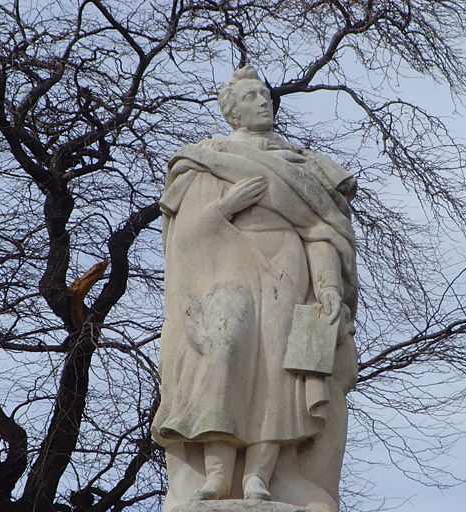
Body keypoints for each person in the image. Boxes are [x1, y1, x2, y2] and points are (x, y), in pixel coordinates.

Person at [151, 66, 358, 511]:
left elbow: (322, 232)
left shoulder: (301, 164)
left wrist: (327, 287)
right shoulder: (205, 158)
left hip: (288, 272)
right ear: (231, 111)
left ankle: (260, 477)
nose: (262, 101)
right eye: (249, 97)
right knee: (223, 355)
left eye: (264, 94)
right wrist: (225, 206)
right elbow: (183, 238)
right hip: (224, 272)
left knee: (278, 372)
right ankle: (218, 474)